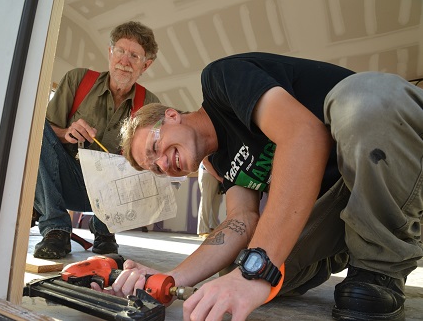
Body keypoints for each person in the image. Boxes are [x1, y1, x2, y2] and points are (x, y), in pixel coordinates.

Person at [111, 52, 423, 321]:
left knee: (364, 98)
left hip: (389, 160)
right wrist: (170, 277)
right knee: (236, 264)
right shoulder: (221, 160)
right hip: (341, 202)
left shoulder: (221, 80)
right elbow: (241, 220)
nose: (163, 165)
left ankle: (379, 266)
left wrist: (258, 270)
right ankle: (352, 247)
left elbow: (305, 136)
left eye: (154, 147)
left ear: (171, 116)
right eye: (156, 169)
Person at [32, 21, 159, 259]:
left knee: (150, 154)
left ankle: (104, 231)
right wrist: (66, 132)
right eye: (120, 51)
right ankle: (56, 230)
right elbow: (47, 129)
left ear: (146, 65)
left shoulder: (149, 104)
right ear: (110, 52)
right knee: (35, 126)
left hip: (111, 196)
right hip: (64, 182)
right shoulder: (77, 80)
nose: (124, 61)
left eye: (134, 55)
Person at [197, 157, 223, 238]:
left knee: (216, 203)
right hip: (207, 173)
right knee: (206, 202)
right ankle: (202, 230)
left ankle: (213, 228)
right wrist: (218, 177)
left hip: (217, 175)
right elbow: (205, 161)